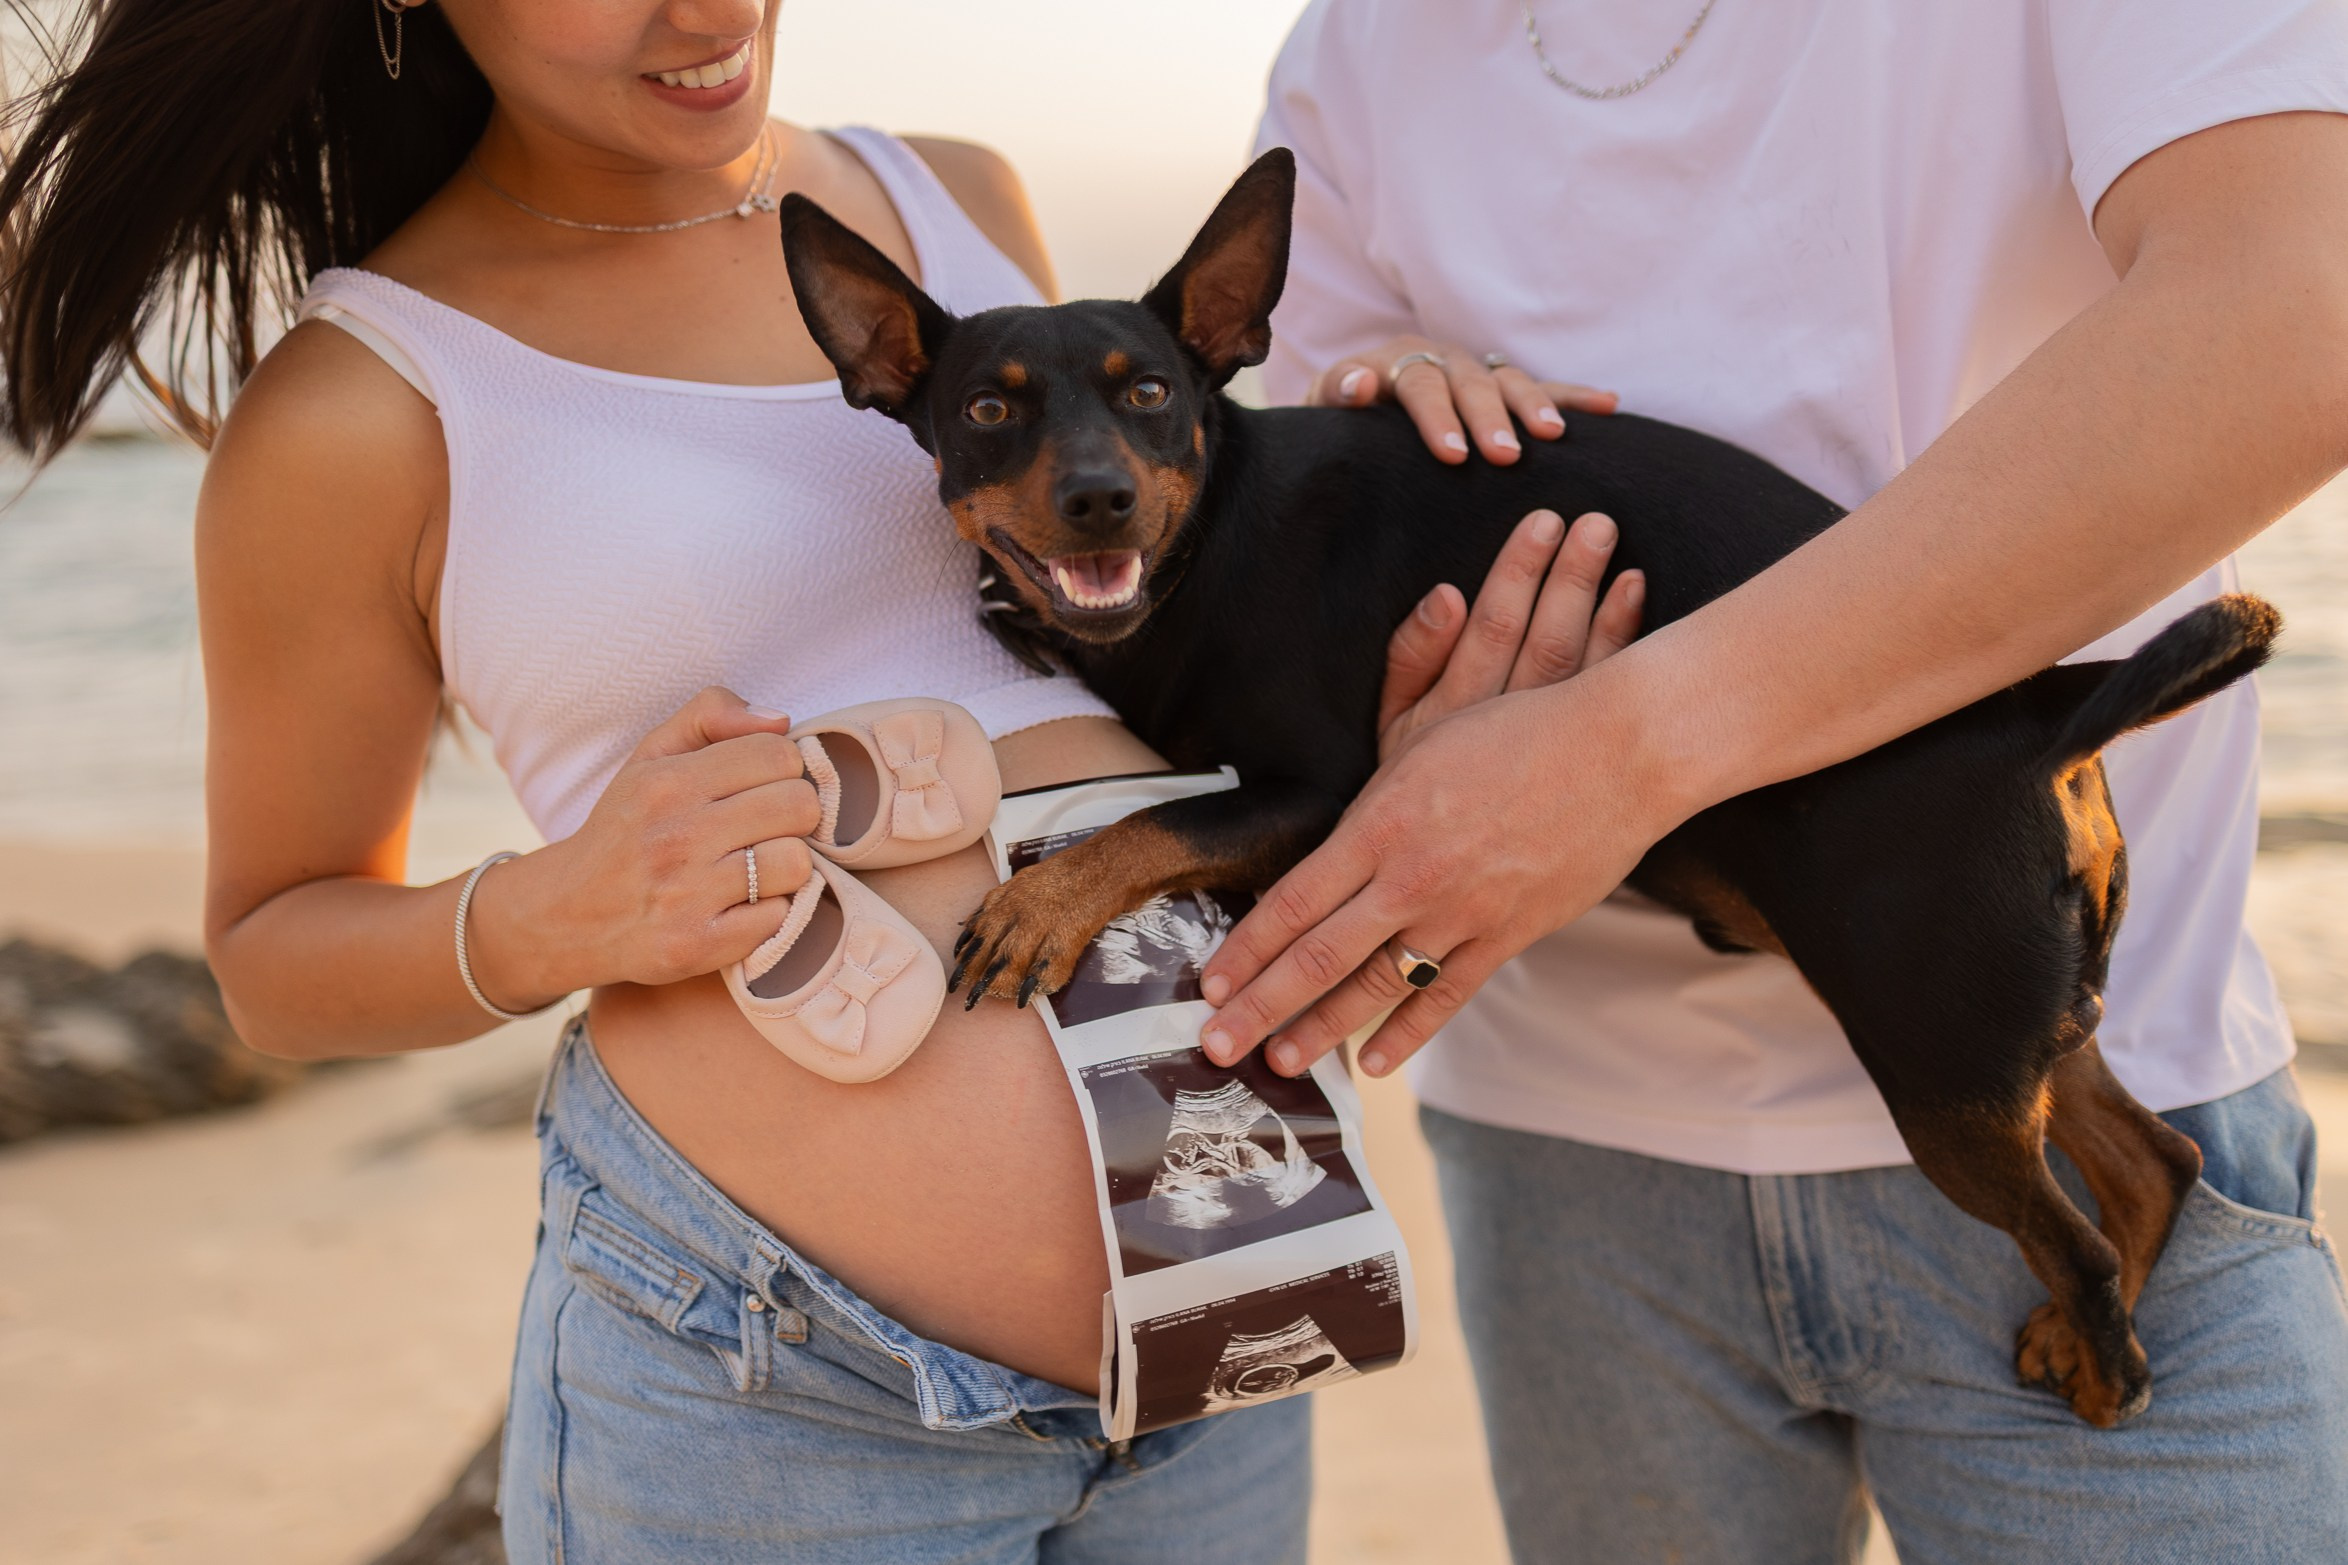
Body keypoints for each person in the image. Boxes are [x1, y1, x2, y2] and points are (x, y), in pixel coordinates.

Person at [0, 3, 1630, 1557]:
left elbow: (1148, 643)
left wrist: (1395, 511)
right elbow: (274, 960)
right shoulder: (356, 402)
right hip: (784, 1390)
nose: (707, 9)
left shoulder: (956, 197)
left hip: (1221, 1318)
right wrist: (557, 909)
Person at [1194, 2, 2348, 1559]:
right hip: (1569, 1162)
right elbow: (1303, 543)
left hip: (2079, 1073)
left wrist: (1619, 755)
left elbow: (2296, 314)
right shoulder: (1359, 47)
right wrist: (1373, 423)